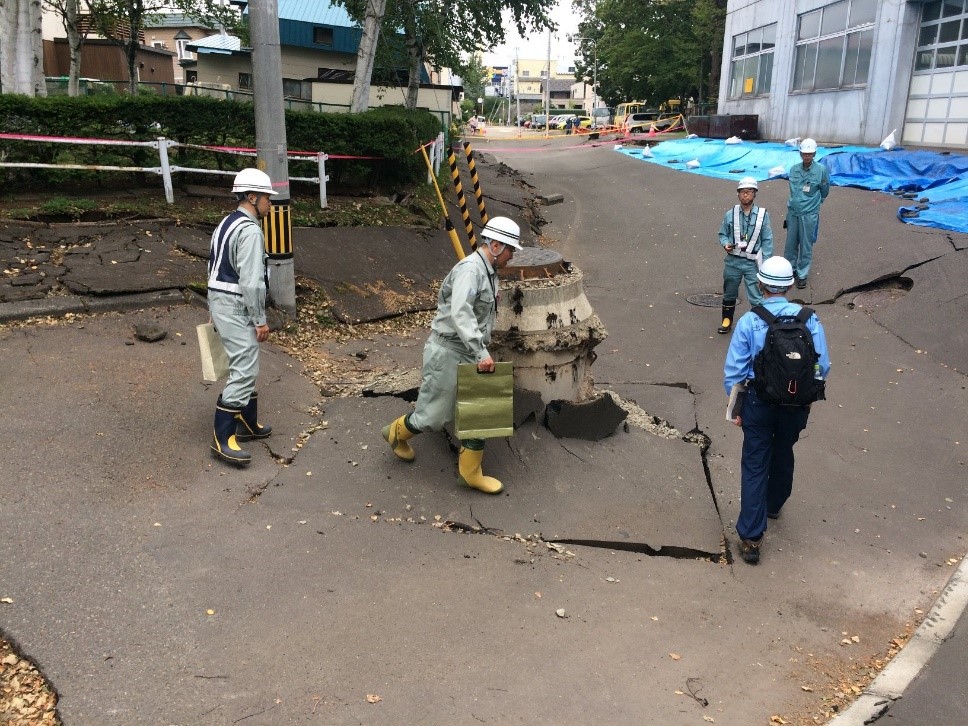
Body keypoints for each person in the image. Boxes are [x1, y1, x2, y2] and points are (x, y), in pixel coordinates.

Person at [382, 217, 523, 494]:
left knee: (481, 413)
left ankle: (470, 474)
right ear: (495, 245)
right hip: (448, 350)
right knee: (432, 418)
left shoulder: (488, 272)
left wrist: (480, 350)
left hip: (471, 350)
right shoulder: (471, 271)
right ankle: (395, 433)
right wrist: (481, 351)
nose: (512, 256)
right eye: (510, 249)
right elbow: (461, 314)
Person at [723, 256, 831, 564]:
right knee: (784, 450)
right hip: (795, 406)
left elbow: (734, 372)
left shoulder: (750, 321)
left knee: (755, 462)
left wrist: (736, 407)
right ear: (791, 284)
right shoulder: (810, 318)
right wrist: (806, 398)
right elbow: (822, 365)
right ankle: (774, 503)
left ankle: (752, 537)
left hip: (759, 403)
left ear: (760, 284)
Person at [208, 168, 277, 466]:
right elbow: (251, 282)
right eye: (266, 199)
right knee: (245, 366)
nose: (270, 205)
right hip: (237, 305)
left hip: (221, 300)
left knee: (245, 361)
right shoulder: (250, 230)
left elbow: (215, 266)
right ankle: (223, 439)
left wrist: (213, 308)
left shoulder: (227, 223)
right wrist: (260, 318)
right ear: (252, 197)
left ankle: (249, 423)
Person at [717, 176, 774, 334]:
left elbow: (767, 240)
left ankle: (761, 324)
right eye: (742, 192)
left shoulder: (762, 215)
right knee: (729, 291)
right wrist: (725, 243)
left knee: (756, 295)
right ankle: (726, 320)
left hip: (752, 263)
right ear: (738, 194)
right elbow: (722, 234)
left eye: (749, 191)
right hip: (733, 261)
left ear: (755, 193)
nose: (745, 195)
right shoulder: (730, 214)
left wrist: (766, 265)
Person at [784, 138, 830, 289]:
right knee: (790, 244)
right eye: (805, 153)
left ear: (815, 153)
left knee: (806, 244)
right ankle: (790, 270)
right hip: (793, 212)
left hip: (809, 214)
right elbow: (792, 191)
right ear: (800, 154)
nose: (807, 156)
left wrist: (816, 204)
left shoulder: (821, 170)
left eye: (810, 154)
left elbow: (824, 190)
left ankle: (802, 274)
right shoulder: (794, 169)